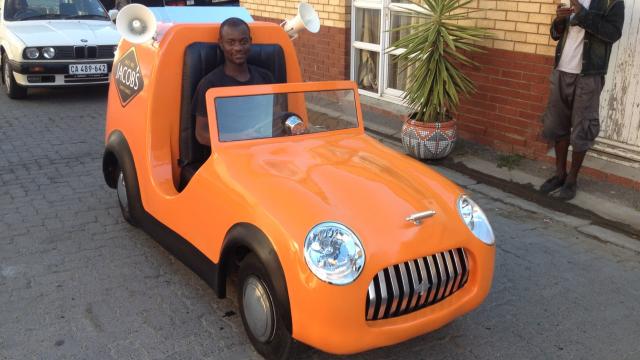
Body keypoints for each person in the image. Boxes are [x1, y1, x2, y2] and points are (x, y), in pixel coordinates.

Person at [539, 0, 624, 200]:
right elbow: (556, 35)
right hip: (561, 71)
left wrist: (583, 15)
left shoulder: (613, 2)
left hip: (589, 75)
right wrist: (559, 21)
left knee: (582, 128)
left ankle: (572, 180)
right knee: (557, 125)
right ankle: (560, 174)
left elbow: (613, 33)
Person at [191, 17, 274, 146]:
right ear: (221, 44)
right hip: (227, 155)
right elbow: (201, 134)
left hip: (264, 149)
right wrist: (240, 137)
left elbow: (278, 117)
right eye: (231, 42)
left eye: (243, 41)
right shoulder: (209, 84)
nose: (238, 48)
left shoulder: (266, 78)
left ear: (250, 42)